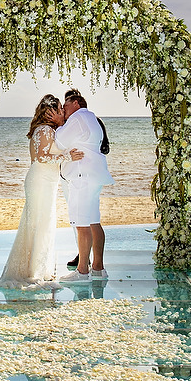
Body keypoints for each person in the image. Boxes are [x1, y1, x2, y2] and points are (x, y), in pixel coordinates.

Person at [0, 95, 68, 291]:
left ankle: (37, 268)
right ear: (50, 112)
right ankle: (34, 272)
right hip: (41, 180)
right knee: (40, 223)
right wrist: (68, 155)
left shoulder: (43, 130)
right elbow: (42, 157)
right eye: (60, 109)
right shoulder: (44, 130)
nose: (62, 112)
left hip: (45, 180)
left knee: (40, 223)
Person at [55, 88, 114, 283]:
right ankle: (98, 268)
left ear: (76, 103)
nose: (63, 109)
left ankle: (82, 272)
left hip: (82, 175)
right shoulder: (92, 118)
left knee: (81, 224)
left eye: (65, 105)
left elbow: (59, 141)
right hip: (94, 174)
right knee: (93, 221)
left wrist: (58, 124)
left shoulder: (78, 117)